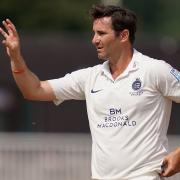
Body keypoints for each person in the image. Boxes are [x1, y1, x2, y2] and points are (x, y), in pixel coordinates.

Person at [0, 4, 180, 180]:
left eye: (101, 33)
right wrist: (16, 58)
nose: (94, 39)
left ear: (123, 35)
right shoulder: (91, 77)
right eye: (94, 33)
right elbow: (34, 90)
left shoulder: (155, 70)